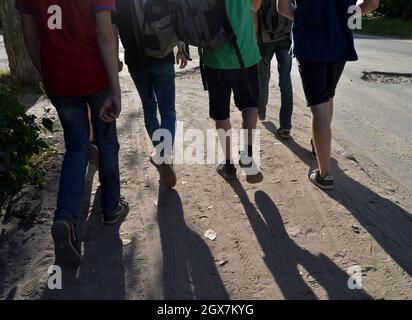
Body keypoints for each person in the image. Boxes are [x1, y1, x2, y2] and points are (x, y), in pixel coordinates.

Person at [17, 0, 129, 268]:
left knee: (76, 148)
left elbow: (30, 37)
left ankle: (65, 218)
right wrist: (115, 89)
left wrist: (48, 75)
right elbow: (105, 35)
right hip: (96, 77)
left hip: (59, 81)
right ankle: (111, 207)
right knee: (107, 141)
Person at [277, 0, 380, 190]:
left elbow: (282, 8)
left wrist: (304, 17)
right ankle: (319, 148)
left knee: (319, 107)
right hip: (340, 42)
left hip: (309, 43)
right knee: (328, 96)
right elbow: (373, 3)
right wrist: (347, 16)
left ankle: (324, 175)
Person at [113, 0, 188, 188]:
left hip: (136, 61)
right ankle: (163, 153)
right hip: (162, 55)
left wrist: (115, 57)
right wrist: (181, 48)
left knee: (149, 108)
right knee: (168, 110)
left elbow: (112, 29)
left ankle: (160, 152)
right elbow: (176, 14)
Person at [202, 0, 263, 183]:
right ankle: (248, 154)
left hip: (215, 57)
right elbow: (256, 6)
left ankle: (228, 165)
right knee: (250, 105)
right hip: (246, 55)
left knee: (221, 114)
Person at [257, 0, 294, 140]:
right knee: (286, 82)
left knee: (263, 77)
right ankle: (285, 126)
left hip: (264, 40)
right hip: (285, 38)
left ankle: (261, 111)